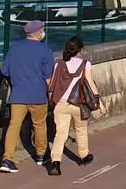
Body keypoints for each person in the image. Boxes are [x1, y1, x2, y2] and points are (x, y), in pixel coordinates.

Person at [0, 20, 55, 173]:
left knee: (13, 126)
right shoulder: (45, 50)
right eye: (42, 30)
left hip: (18, 96)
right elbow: (48, 77)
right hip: (38, 95)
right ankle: (41, 155)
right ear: (38, 33)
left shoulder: (14, 49)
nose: (43, 32)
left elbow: (4, 72)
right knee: (40, 125)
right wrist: (52, 94)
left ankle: (7, 159)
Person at [47, 36, 102, 176]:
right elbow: (90, 83)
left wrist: (51, 101)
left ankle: (55, 163)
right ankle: (84, 156)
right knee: (81, 130)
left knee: (60, 134)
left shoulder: (58, 64)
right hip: (78, 103)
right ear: (80, 50)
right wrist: (98, 101)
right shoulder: (85, 64)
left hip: (61, 103)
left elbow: (52, 85)